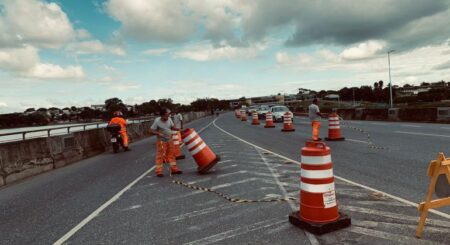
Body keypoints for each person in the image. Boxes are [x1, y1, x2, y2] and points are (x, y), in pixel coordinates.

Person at [150, 107, 183, 177]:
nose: (169, 115)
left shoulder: (169, 119)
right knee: (160, 156)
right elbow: (151, 130)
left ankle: (174, 169)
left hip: (169, 139)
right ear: (163, 114)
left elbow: (172, 127)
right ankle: (159, 171)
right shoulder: (157, 121)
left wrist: (179, 130)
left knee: (171, 154)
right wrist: (158, 133)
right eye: (168, 114)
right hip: (161, 141)